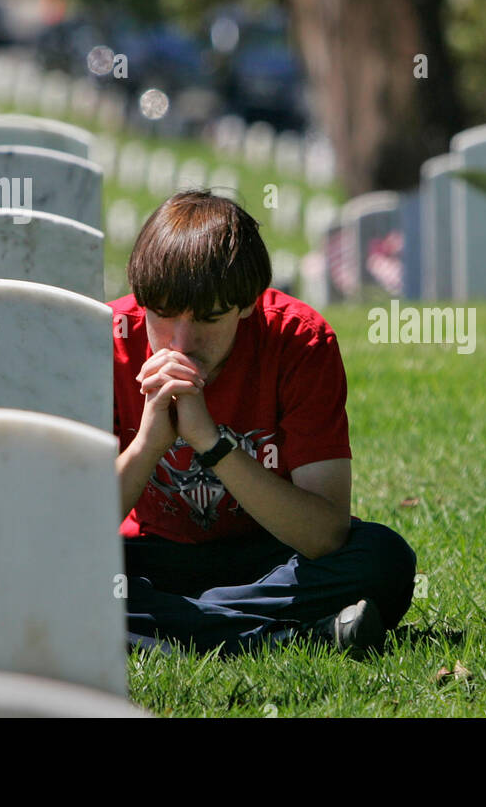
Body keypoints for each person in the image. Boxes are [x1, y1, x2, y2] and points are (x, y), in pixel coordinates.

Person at [111, 189, 416, 658]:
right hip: (152, 555)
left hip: (269, 553)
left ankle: (171, 629)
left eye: (210, 318)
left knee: (383, 559)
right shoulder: (107, 339)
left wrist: (210, 443)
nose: (183, 342)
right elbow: (69, 527)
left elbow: (324, 533)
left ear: (248, 303)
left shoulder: (299, 340)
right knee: (43, 574)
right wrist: (149, 443)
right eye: (163, 315)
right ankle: (296, 635)